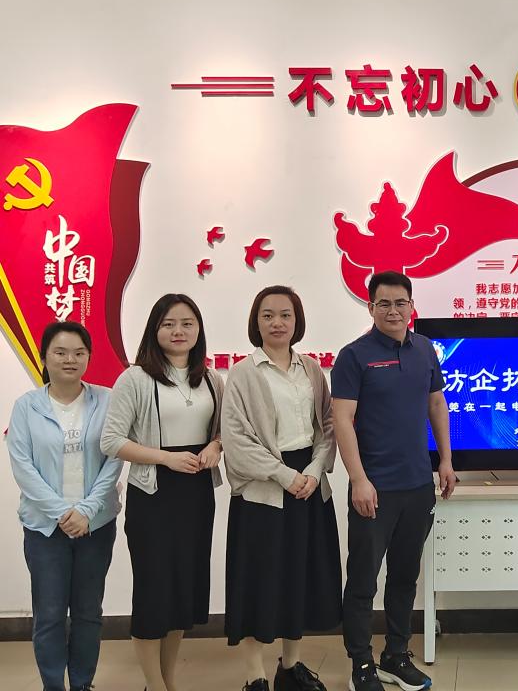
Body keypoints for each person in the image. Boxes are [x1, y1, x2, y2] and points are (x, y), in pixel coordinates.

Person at [332, 270, 457, 691]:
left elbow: (436, 403)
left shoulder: (424, 349)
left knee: (405, 577)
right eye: (383, 303)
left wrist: (445, 460)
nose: (393, 310)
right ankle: (361, 664)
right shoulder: (354, 356)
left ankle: (396, 656)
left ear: (411, 306)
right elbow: (343, 421)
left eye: (400, 302)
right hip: (374, 488)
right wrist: (358, 480)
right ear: (370, 307)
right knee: (363, 580)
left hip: (418, 485)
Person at [100, 294, 224, 691]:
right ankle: (154, 685)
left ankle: (169, 681)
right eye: (169, 323)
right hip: (154, 496)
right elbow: (111, 440)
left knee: (183, 593)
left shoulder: (211, 379)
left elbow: (224, 431)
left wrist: (215, 446)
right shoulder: (135, 378)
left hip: (196, 494)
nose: (178, 331)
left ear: (198, 329)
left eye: (187, 323)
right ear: (155, 330)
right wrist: (165, 458)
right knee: (154, 594)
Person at [221, 285, 341, 691]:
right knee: (258, 580)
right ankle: (255, 675)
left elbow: (327, 426)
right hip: (265, 489)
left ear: (297, 321)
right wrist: (286, 475)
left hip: (309, 483)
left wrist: (315, 470)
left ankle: (290, 667)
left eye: (285, 315)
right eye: (268, 315)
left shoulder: (312, 369)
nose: (277, 322)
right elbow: (237, 440)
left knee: (299, 577)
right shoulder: (242, 373)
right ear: (256, 322)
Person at [7, 321, 121, 691]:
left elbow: (115, 458)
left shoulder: (107, 400)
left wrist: (87, 511)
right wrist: (61, 512)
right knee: (50, 615)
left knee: (88, 613)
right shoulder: (27, 407)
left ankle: (83, 683)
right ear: (44, 357)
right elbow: (23, 467)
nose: (70, 359)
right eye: (60, 352)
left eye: (78, 352)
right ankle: (53, 685)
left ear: (88, 357)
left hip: (95, 525)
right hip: (44, 529)